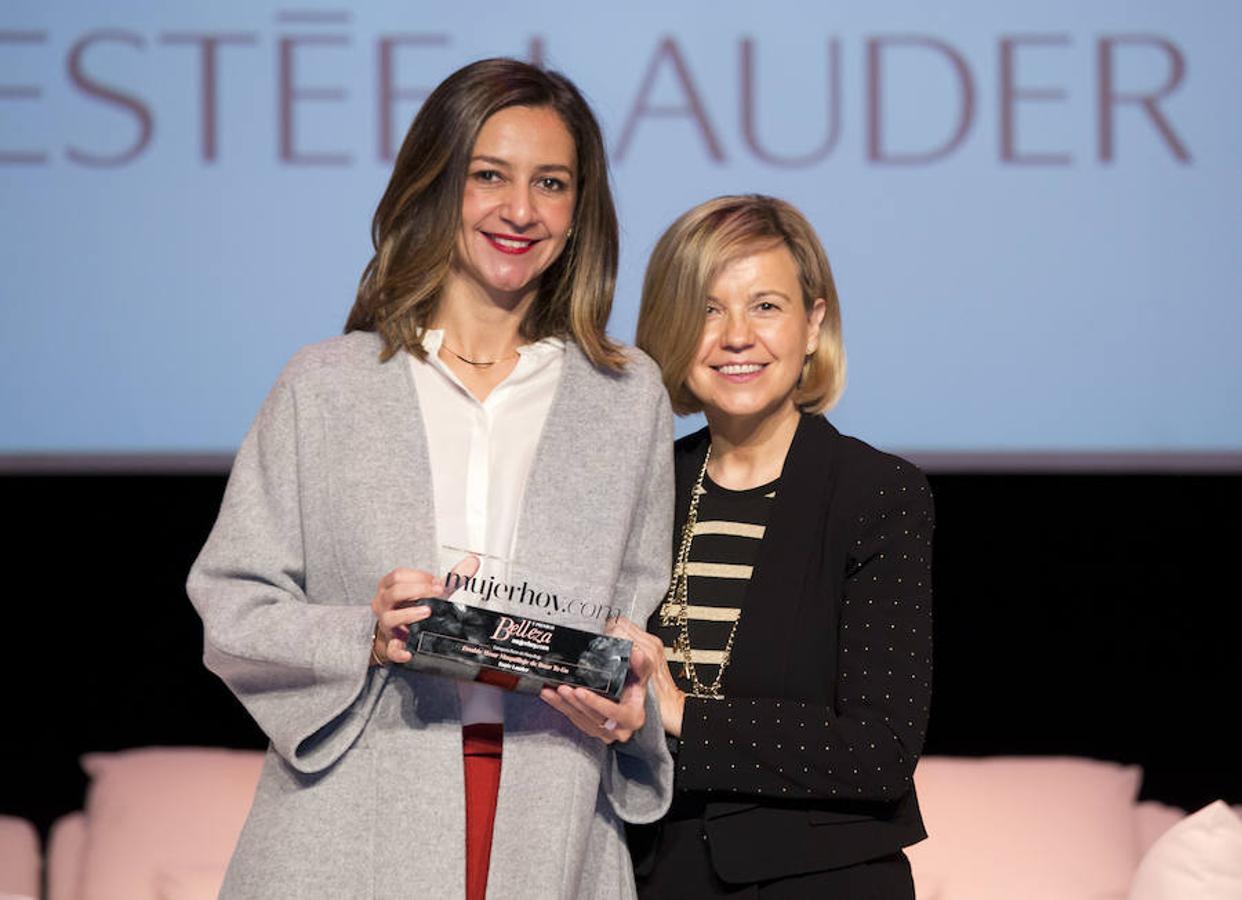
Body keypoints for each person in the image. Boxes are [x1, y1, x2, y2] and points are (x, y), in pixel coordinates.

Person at [187, 58, 674, 900]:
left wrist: (632, 712)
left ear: (579, 209)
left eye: (551, 183)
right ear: (437, 183)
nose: (520, 210)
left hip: (552, 818)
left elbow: (629, 628)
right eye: (489, 176)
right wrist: (362, 636)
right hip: (351, 818)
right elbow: (233, 607)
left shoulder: (627, 399)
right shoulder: (326, 384)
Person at [619, 195, 933, 898]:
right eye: (706, 308)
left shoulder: (876, 494)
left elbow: (878, 752)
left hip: (823, 879)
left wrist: (680, 715)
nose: (736, 336)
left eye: (765, 306)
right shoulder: (641, 487)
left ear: (813, 324)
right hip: (651, 875)